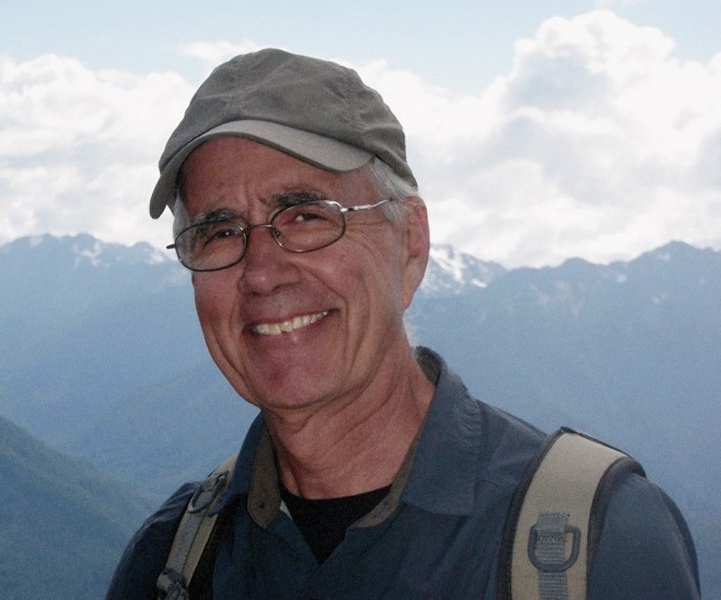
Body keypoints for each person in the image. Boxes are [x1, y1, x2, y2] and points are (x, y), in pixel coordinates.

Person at [107, 49, 700, 599]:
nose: (262, 273)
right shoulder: (174, 561)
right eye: (219, 232)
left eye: (308, 215)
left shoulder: (596, 546)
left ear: (410, 242)